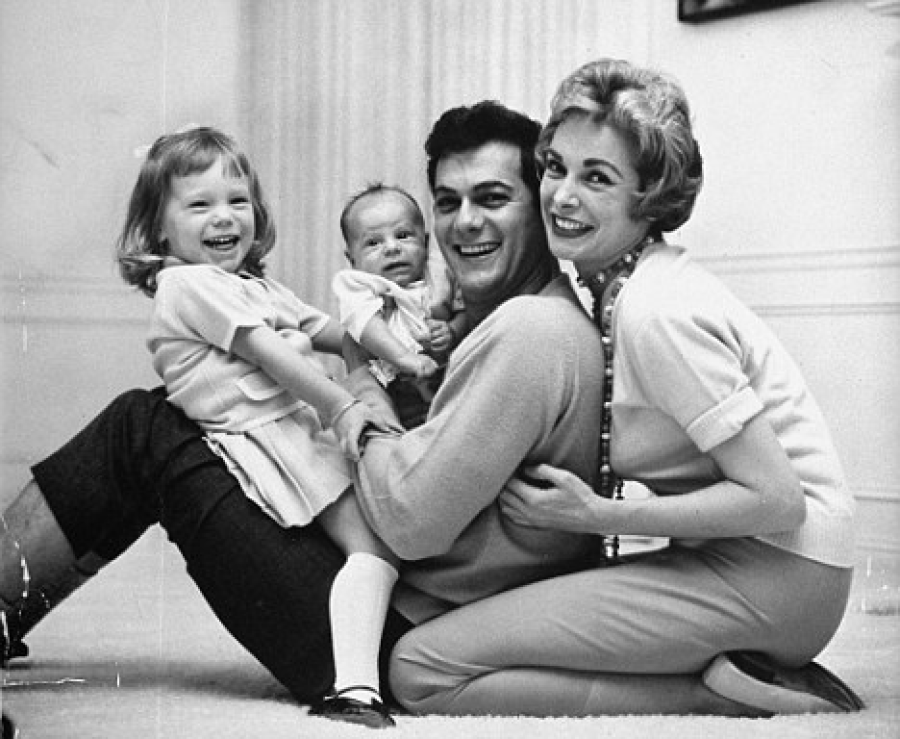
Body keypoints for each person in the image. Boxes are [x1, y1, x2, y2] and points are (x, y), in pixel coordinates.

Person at [0, 94, 860, 722]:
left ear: (541, 206)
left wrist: (360, 391)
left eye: (494, 198)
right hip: (418, 587)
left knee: (143, 429)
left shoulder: (530, 332)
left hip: (384, 617)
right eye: (445, 202)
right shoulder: (524, 318)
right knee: (163, 420)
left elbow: (406, 517)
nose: (460, 225)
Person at [382, 59, 863, 717]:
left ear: (650, 196)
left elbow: (778, 499)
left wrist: (597, 516)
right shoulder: (625, 287)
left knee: (420, 668)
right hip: (754, 567)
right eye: (556, 167)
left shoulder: (656, 310)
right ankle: (732, 673)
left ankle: (721, 694)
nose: (562, 196)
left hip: (782, 579)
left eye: (597, 178)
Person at [117, 126, 404, 727]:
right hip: (267, 439)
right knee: (372, 548)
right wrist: (343, 406)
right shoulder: (186, 285)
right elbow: (269, 354)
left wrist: (400, 351)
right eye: (199, 204)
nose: (224, 217)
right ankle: (355, 688)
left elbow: (334, 328)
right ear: (158, 228)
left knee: (385, 537)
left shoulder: (254, 286)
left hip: (297, 426)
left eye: (237, 201)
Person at [332, 183, 466, 429]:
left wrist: (453, 330)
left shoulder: (442, 272)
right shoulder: (360, 285)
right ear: (352, 259)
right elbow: (365, 323)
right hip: (394, 388)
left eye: (403, 235)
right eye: (373, 243)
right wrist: (404, 358)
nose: (392, 248)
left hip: (448, 379)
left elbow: (467, 312)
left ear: (425, 242)